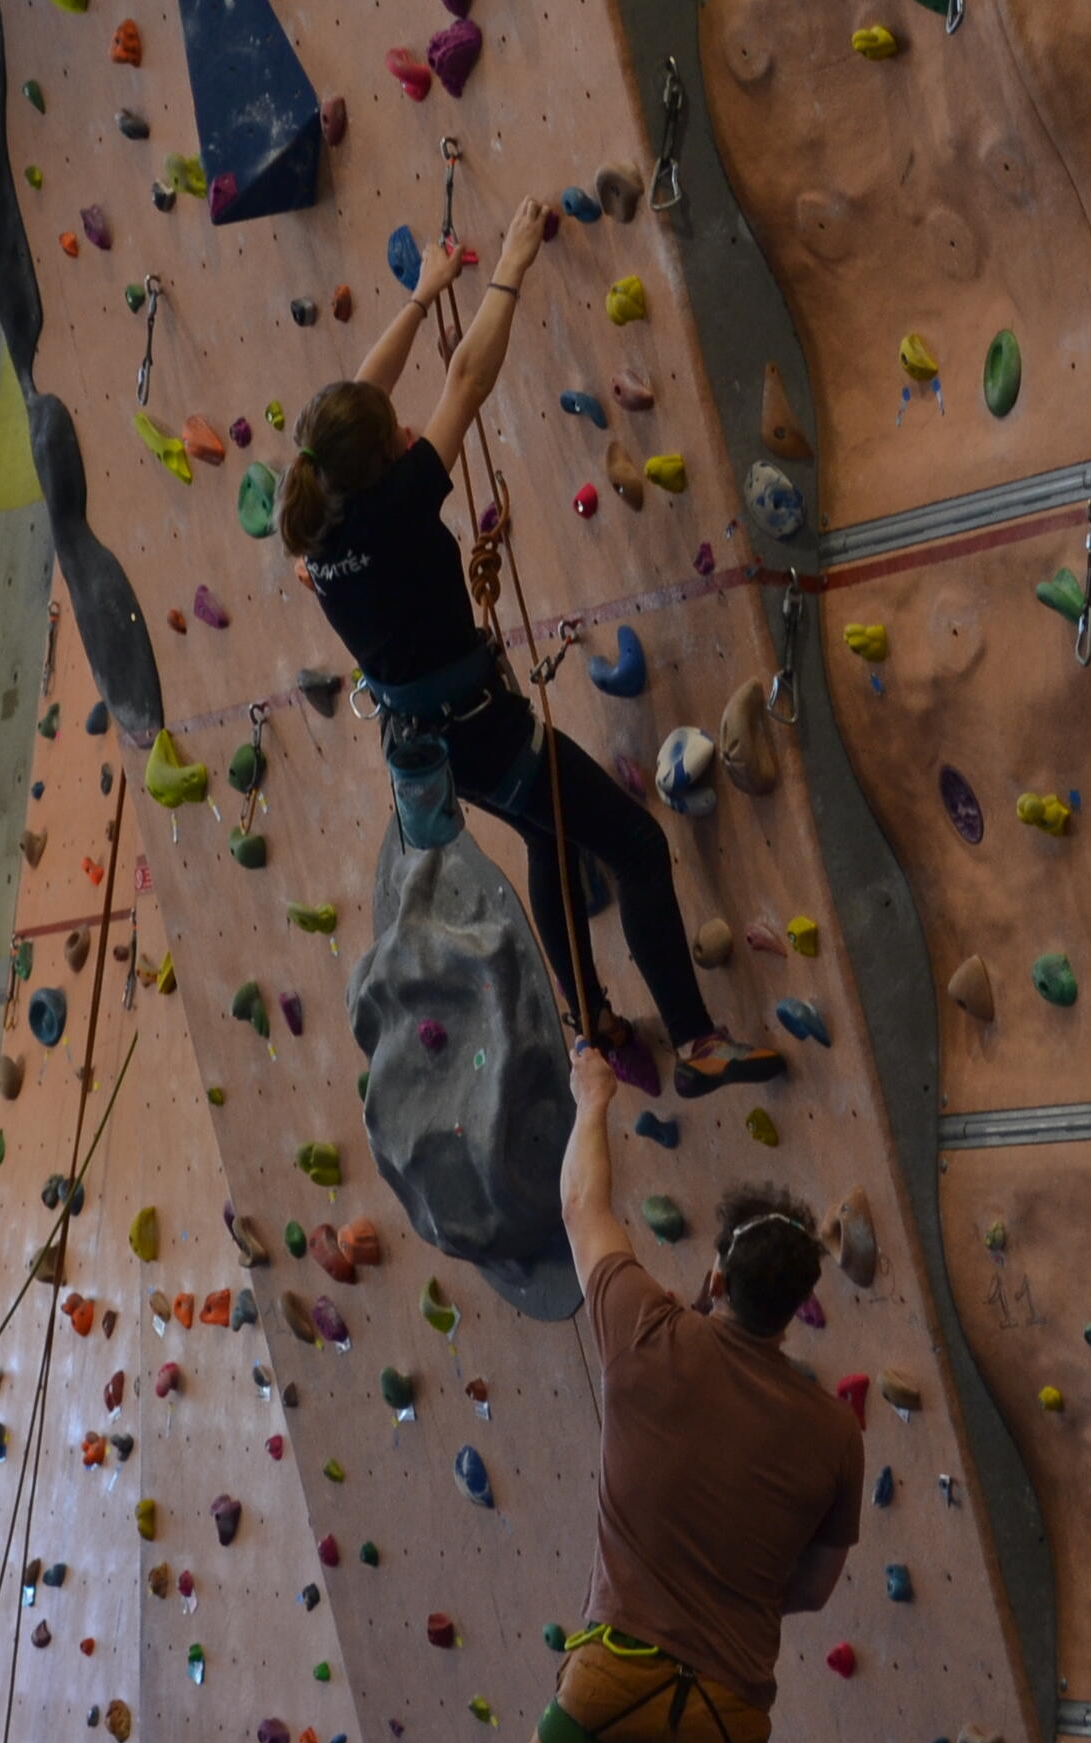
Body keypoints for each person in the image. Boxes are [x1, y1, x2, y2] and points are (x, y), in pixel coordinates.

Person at [280, 195, 781, 1099]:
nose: (406, 431)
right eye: (395, 438)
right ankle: (698, 1043)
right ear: (382, 466)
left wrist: (424, 294)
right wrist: (510, 264)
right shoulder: (395, 511)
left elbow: (359, 403)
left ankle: (592, 1021)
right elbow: (467, 380)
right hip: (485, 735)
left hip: (444, 742)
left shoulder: (319, 525)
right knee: (634, 844)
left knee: (550, 837)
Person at [496, 1048, 863, 1743]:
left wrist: (593, 1095)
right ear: (794, 1308)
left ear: (717, 1276)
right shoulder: (834, 1433)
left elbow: (582, 1205)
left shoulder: (647, 1331)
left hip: (610, 1683)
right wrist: (731, 1586)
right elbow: (812, 1589)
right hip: (723, 1716)